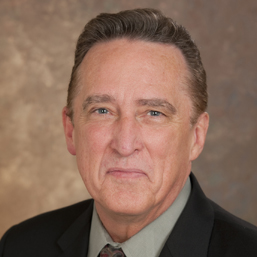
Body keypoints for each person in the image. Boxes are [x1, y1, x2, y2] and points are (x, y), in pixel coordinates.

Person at [0, 8, 257, 257]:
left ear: (196, 137)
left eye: (154, 113)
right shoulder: (19, 246)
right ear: (70, 131)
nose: (124, 144)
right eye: (102, 111)